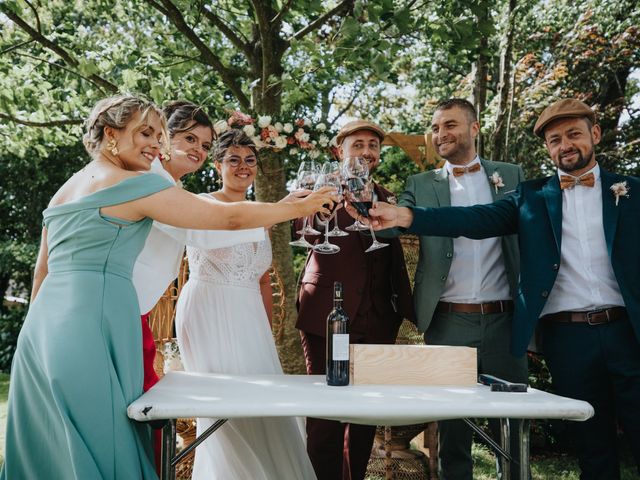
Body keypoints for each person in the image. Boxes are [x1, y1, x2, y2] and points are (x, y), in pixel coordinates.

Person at [0, 95, 335, 479]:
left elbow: (42, 274)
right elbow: (222, 219)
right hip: (95, 325)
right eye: (146, 133)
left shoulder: (65, 189)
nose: (156, 146)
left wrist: (32, 333)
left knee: (51, 444)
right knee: (103, 440)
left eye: (160, 136)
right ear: (111, 134)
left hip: (40, 332)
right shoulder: (136, 184)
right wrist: (293, 208)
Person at [366, 98, 640, 480]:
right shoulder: (533, 198)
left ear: (595, 134)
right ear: (548, 147)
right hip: (564, 337)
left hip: (625, 330)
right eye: (555, 139)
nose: (565, 145)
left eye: (574, 135)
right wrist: (405, 215)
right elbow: (475, 219)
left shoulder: (630, 192)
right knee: (591, 446)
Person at [378, 98, 527, 480]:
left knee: (512, 429)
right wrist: (370, 203)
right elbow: (395, 225)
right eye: (436, 127)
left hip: (505, 320)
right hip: (447, 323)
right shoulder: (420, 184)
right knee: (452, 431)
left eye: (450, 125)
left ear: (474, 129)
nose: (440, 134)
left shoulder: (511, 175)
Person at [173, 128, 317, 479]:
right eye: (233, 160)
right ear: (218, 165)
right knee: (225, 409)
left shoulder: (261, 215)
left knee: (263, 404)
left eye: (250, 160)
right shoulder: (203, 204)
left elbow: (262, 280)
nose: (243, 167)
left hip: (249, 317)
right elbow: (233, 221)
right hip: (209, 308)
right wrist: (288, 207)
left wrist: (263, 332)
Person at [132, 100, 264, 470]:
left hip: (137, 309)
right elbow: (207, 232)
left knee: (146, 407)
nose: (198, 150)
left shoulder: (169, 184)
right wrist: (291, 207)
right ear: (164, 137)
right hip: (131, 308)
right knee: (149, 408)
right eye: (189, 139)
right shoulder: (154, 182)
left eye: (205, 145)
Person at [296, 120, 414, 480]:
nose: (366, 151)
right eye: (357, 144)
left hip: (378, 321)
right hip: (326, 316)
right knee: (325, 415)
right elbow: (300, 228)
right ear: (339, 151)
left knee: (364, 417)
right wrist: (318, 206)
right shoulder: (318, 189)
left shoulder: (390, 199)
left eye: (373, 145)